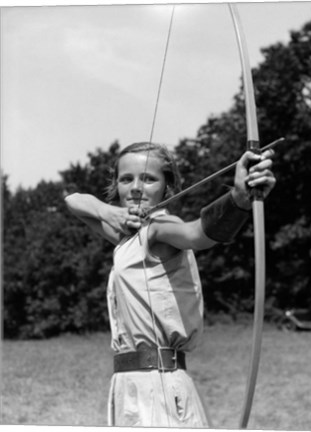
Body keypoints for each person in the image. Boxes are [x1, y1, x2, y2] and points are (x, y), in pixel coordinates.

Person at [65, 141, 276, 427]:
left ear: (167, 187)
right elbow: (73, 201)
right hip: (129, 384)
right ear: (116, 185)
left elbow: (196, 234)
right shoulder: (128, 237)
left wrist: (239, 198)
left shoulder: (159, 230)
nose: (136, 187)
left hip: (159, 386)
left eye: (149, 179)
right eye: (126, 179)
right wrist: (108, 211)